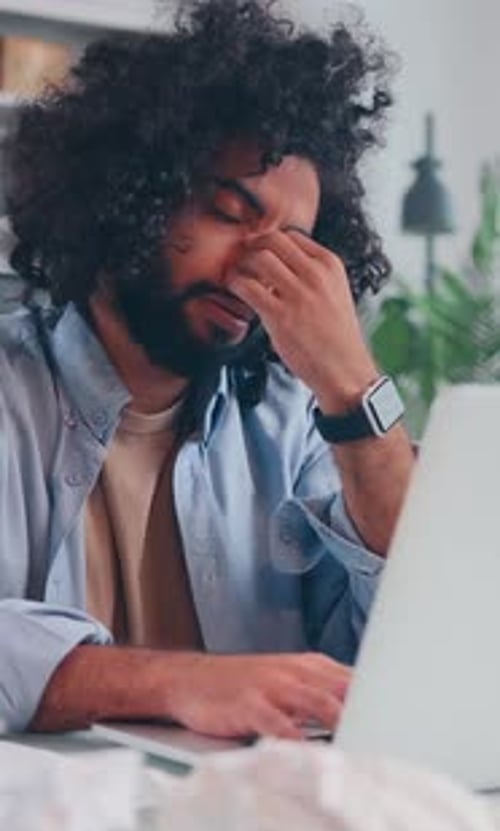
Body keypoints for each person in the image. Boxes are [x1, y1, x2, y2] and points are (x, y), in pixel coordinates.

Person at [0, 0, 414, 739]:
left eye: (297, 244)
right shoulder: (11, 390)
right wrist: (180, 683)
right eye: (228, 211)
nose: (262, 267)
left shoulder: (293, 422)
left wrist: (355, 393)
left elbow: (415, 642)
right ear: (132, 195)